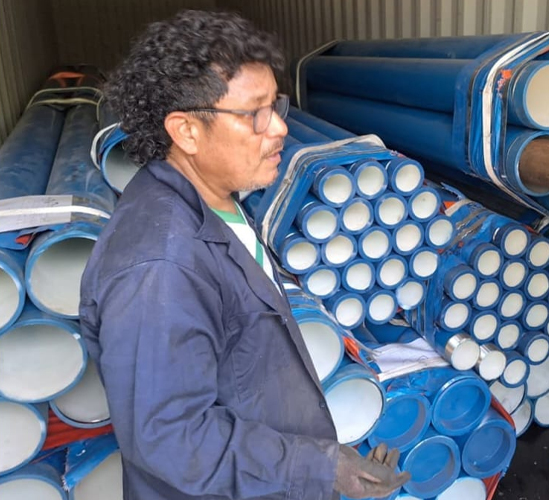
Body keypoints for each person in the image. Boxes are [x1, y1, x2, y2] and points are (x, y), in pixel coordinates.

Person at [79, 9, 409, 500]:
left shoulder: (216, 200)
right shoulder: (161, 268)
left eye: (275, 105)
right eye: (254, 114)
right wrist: (321, 466)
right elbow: (172, 439)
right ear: (186, 131)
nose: (279, 128)